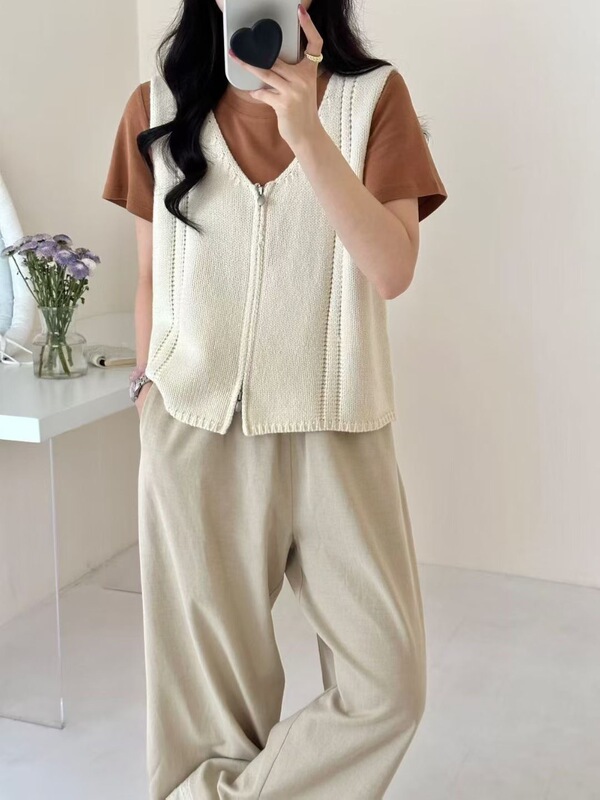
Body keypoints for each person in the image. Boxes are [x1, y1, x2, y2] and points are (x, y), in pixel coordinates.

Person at [102, 0, 447, 797]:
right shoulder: (156, 107)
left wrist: (308, 134)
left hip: (339, 430)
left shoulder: (373, 99)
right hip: (195, 430)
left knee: (387, 689)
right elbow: (151, 274)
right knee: (209, 724)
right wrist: (152, 390)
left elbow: (392, 271)